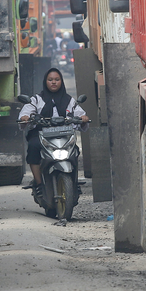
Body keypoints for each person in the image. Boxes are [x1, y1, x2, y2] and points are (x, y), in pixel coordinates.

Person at [18, 68, 89, 197]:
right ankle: (39, 185)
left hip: (64, 134)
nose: (54, 82)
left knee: (75, 151)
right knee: (33, 148)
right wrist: (25, 117)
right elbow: (26, 113)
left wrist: (83, 118)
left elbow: (80, 113)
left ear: (61, 81)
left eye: (57, 79)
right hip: (41, 134)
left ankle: (74, 181)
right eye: (50, 80)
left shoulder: (69, 100)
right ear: (45, 82)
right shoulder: (36, 99)